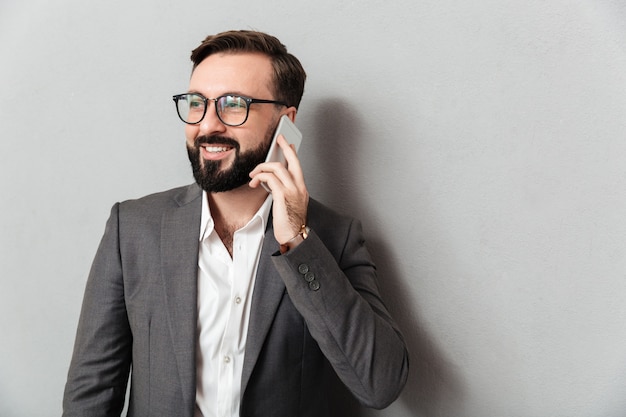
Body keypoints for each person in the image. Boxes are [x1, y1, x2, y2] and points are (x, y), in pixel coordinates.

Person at [62, 30, 409, 417]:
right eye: (197, 103)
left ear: (285, 122)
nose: (208, 125)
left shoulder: (333, 238)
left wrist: (296, 241)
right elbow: (91, 391)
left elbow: (380, 385)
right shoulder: (133, 229)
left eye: (234, 104)